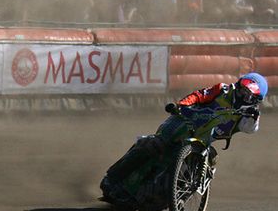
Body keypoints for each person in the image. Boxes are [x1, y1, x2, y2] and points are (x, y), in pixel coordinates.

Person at [104, 73, 268, 184]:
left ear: (256, 99)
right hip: (184, 121)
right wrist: (181, 105)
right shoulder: (223, 90)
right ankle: (113, 177)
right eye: (242, 90)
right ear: (238, 85)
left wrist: (253, 117)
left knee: (207, 165)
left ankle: (181, 194)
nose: (242, 95)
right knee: (154, 144)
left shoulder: (249, 115)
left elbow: (250, 129)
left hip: (203, 140)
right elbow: (199, 95)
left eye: (248, 95)